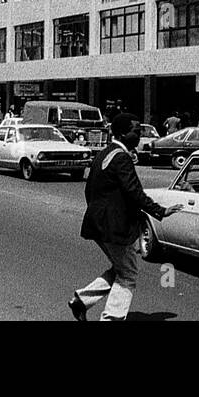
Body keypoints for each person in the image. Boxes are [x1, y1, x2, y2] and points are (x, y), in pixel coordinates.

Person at [69, 114, 181, 321]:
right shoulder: (121, 157)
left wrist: (99, 213)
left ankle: (81, 301)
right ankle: (111, 317)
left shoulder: (105, 153)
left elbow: (90, 190)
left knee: (121, 268)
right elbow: (134, 192)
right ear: (122, 133)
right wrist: (160, 211)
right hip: (114, 227)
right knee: (128, 274)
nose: (138, 135)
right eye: (135, 131)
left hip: (99, 224)